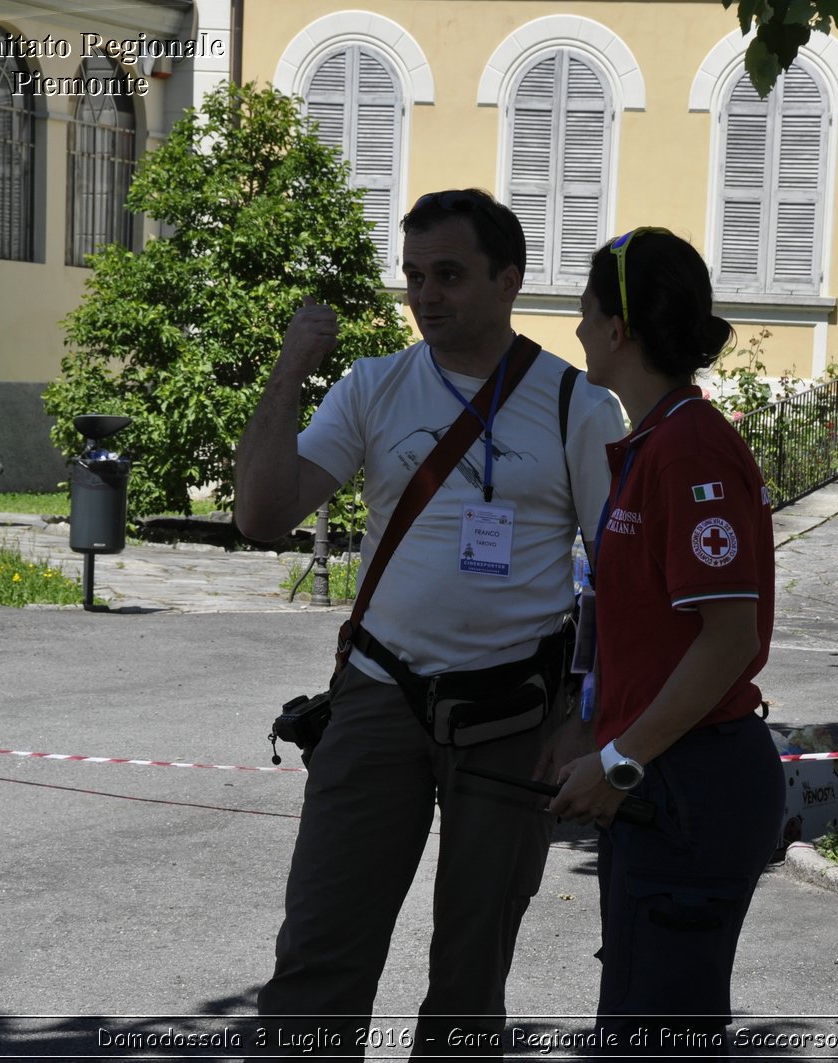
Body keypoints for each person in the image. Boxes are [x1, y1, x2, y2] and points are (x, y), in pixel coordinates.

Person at [235, 189, 625, 1057]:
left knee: (470, 970)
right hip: (378, 700)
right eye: (414, 276)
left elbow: (621, 577)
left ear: (508, 279)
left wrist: (585, 712)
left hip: (515, 719)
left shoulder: (575, 406)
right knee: (320, 952)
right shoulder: (373, 386)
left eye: (448, 274)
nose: (425, 295)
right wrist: (291, 368)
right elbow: (261, 516)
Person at [550, 228, 785, 1055]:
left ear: (618, 329)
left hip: (689, 779)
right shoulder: (657, 440)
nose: (574, 329)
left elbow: (729, 640)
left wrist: (621, 761)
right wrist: (595, 735)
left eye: (583, 312)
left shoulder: (688, 445)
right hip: (665, 774)